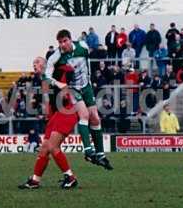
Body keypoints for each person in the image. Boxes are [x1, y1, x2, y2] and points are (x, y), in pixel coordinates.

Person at [45, 29, 113, 170]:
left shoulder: (83, 46)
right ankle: (88, 151)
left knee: (95, 118)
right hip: (72, 89)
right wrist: (59, 84)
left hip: (86, 86)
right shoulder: (56, 56)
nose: (62, 45)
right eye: (60, 42)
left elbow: (94, 54)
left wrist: (102, 50)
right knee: (85, 115)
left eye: (65, 41)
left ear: (70, 40)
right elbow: (47, 76)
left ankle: (100, 154)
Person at [19, 57, 79, 189]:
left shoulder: (56, 72)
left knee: (52, 146)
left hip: (67, 111)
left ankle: (70, 177)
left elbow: (69, 71)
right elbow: (50, 101)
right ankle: (35, 181)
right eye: (33, 63)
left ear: (46, 64)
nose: (35, 65)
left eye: (38, 63)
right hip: (57, 114)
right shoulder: (42, 81)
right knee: (44, 148)